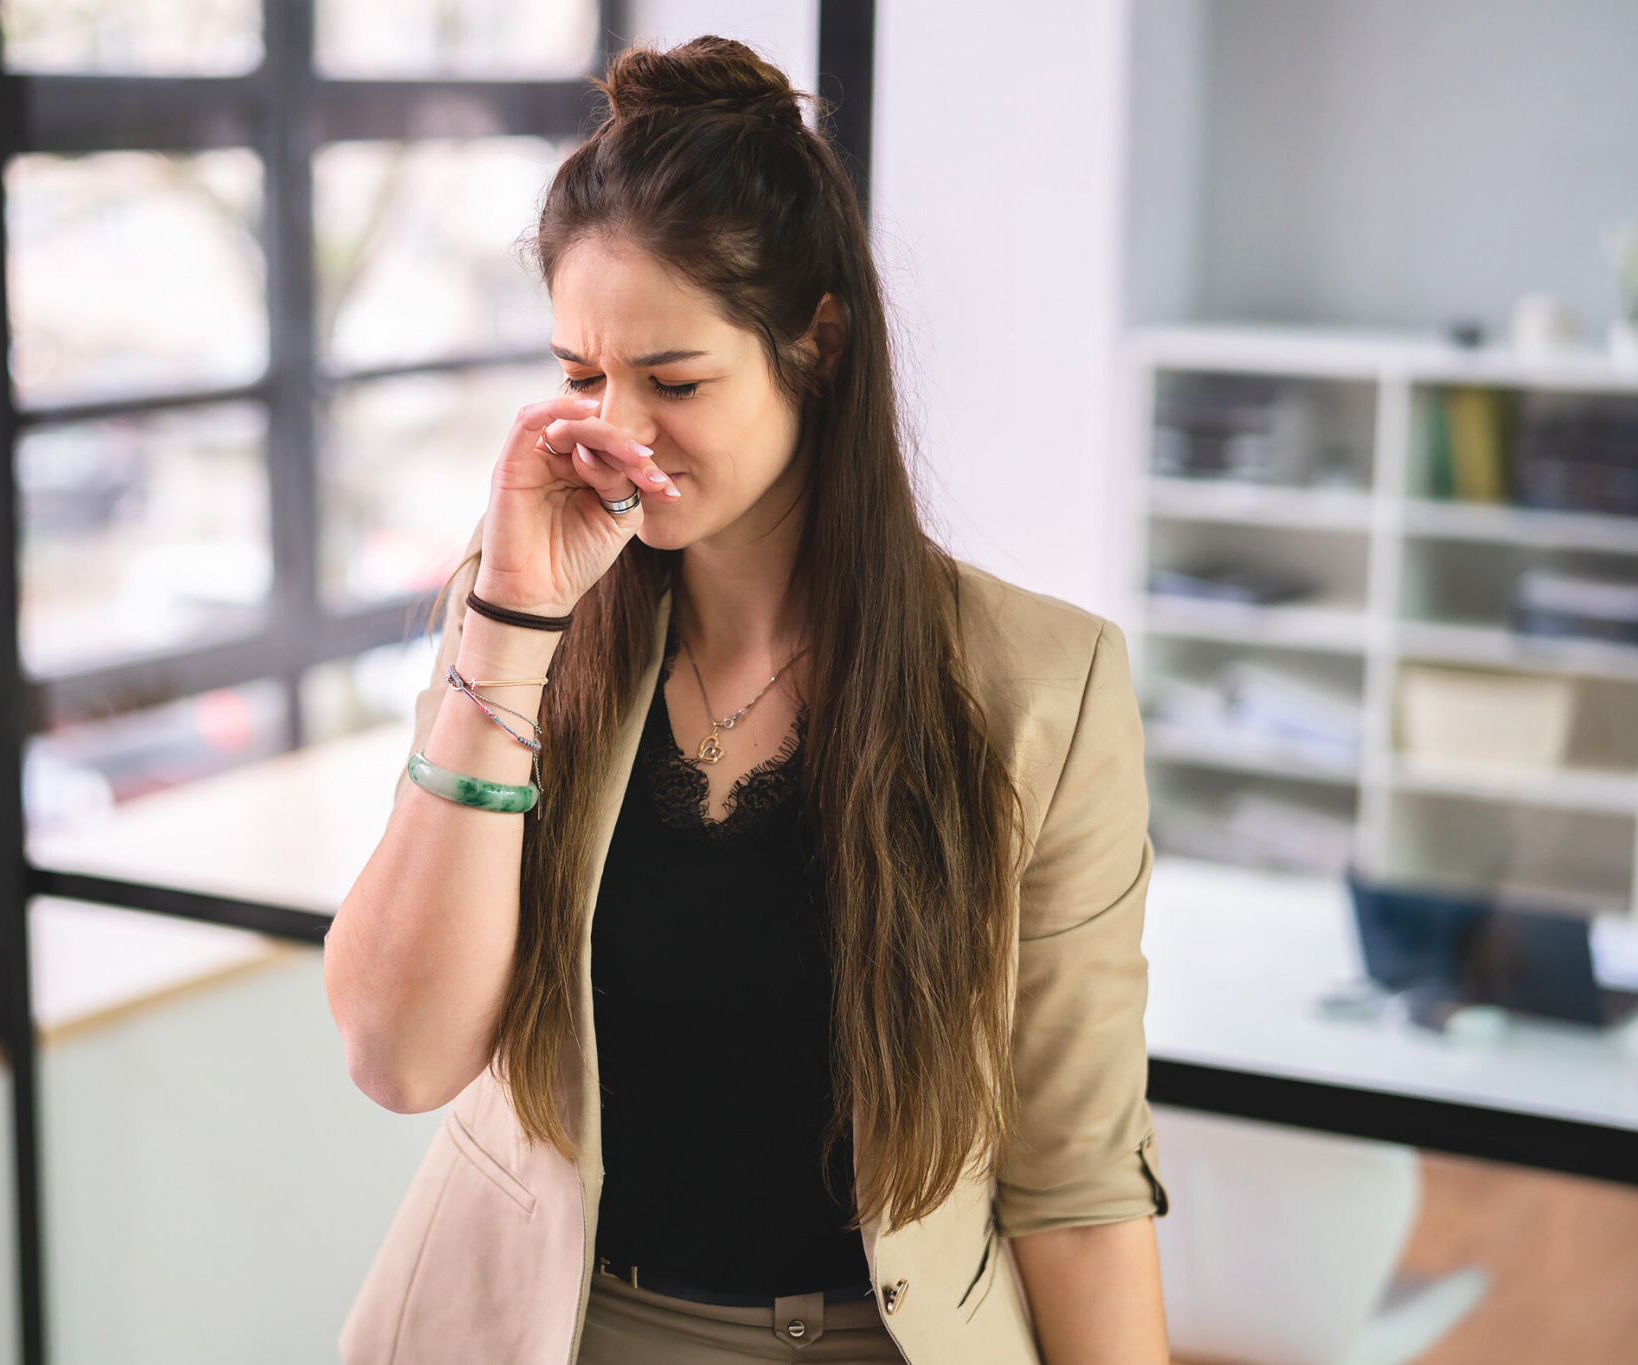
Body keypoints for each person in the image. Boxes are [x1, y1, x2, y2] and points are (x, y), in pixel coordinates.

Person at [324, 36, 1168, 1365]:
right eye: (581, 376)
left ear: (815, 345)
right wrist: (514, 625)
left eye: (676, 382)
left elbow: (1077, 1183)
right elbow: (398, 1056)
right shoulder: (522, 616)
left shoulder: (1044, 687)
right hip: (555, 1333)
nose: (619, 432)